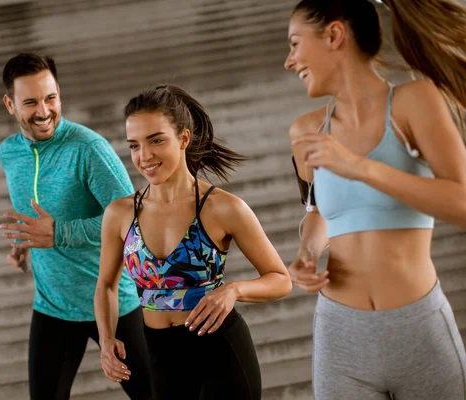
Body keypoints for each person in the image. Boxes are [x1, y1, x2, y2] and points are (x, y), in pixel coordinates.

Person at [284, 0, 466, 398]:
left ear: (334, 35)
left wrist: (360, 167)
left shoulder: (414, 101)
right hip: (341, 336)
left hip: (418, 330)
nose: (289, 60)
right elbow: (320, 212)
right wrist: (307, 253)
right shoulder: (306, 131)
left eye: (295, 44)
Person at [94, 84, 293, 400]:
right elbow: (106, 285)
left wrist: (233, 290)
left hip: (221, 352)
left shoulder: (223, 208)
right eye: (134, 145)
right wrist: (106, 338)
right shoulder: (119, 214)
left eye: (156, 140)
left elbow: (281, 280)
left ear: (184, 138)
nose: (144, 156)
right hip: (161, 357)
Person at [0, 53, 152, 400]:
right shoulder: (9, 154)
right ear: (10, 103)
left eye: (50, 98)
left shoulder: (88, 149)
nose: (43, 111)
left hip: (115, 303)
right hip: (52, 306)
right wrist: (25, 242)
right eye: (30, 102)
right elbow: (37, 209)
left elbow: (131, 218)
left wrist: (59, 234)